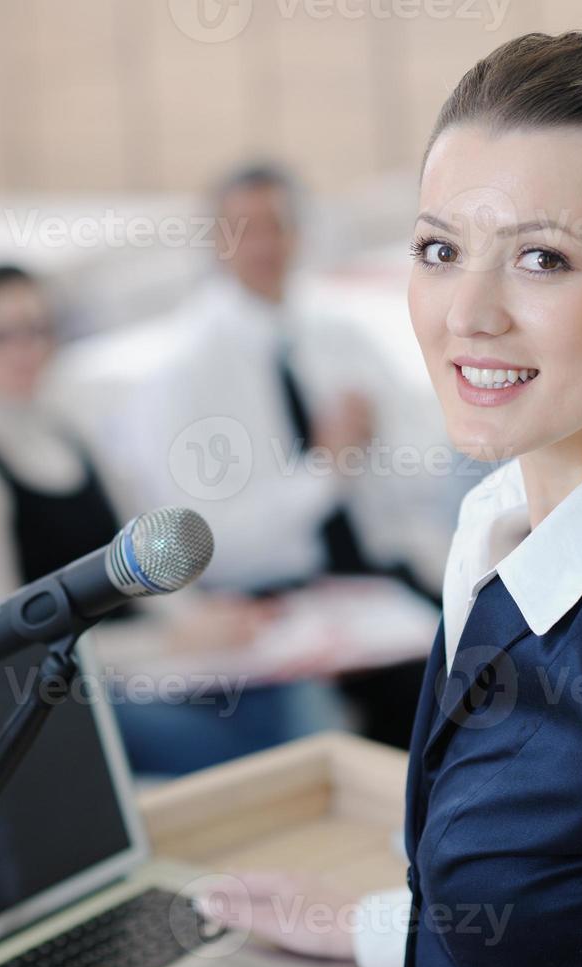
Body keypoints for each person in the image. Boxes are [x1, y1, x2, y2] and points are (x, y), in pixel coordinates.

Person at [202, 32, 582, 967]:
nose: (468, 313)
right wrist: (388, 931)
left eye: (542, 259)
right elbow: (578, 904)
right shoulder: (504, 524)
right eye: (440, 249)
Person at [0, 265, 341, 774]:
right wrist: (163, 644)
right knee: (228, 747)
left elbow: (146, 561)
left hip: (163, 664)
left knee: (297, 695)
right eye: (3, 334)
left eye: (38, 329)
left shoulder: (74, 438)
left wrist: (203, 621)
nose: (25, 349)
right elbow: (10, 650)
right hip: (78, 688)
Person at [127, 164, 428, 748]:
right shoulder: (183, 375)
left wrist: (373, 447)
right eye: (247, 228)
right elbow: (209, 544)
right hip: (267, 603)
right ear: (216, 240)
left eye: (279, 226)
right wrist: (324, 472)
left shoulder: (342, 336)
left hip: (373, 578)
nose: (266, 244)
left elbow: (418, 477)